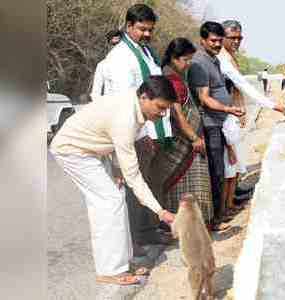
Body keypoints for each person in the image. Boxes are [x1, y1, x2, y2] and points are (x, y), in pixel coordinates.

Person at [50, 76, 177, 286]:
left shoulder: (134, 105)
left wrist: (117, 170)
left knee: (116, 197)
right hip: (72, 150)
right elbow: (134, 176)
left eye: (166, 109)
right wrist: (160, 211)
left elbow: (115, 142)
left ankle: (123, 262)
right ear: (144, 97)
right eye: (160, 107)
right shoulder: (125, 118)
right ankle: (110, 271)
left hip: (93, 150)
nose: (162, 113)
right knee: (109, 202)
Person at [101, 4, 172, 247]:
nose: (147, 34)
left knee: (151, 182)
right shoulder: (120, 58)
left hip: (149, 129)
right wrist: (141, 135)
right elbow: (125, 103)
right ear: (128, 26)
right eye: (142, 29)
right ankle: (138, 241)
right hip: (133, 131)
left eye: (150, 30)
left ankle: (149, 231)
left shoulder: (146, 52)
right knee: (134, 185)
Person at [217, 20, 284, 216]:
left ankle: (231, 200)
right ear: (222, 38)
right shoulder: (222, 58)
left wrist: (241, 109)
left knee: (235, 161)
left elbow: (237, 89)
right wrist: (272, 105)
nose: (237, 41)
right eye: (232, 38)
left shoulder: (230, 56)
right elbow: (241, 85)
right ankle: (225, 207)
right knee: (229, 164)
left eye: (239, 38)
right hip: (223, 116)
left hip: (233, 114)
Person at [187, 21, 244, 230]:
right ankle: (214, 219)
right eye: (213, 41)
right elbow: (204, 98)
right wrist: (229, 110)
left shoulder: (215, 60)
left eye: (220, 41)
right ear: (203, 40)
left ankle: (220, 214)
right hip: (210, 124)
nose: (217, 44)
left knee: (224, 169)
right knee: (216, 172)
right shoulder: (199, 63)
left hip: (220, 123)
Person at [160, 38, 214, 225]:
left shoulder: (176, 75)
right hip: (183, 141)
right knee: (185, 184)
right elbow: (177, 115)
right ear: (174, 58)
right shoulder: (170, 79)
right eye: (185, 59)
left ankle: (194, 224)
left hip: (191, 137)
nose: (188, 64)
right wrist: (193, 137)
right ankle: (185, 225)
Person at [91, 30, 122, 98]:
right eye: (113, 44)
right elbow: (96, 92)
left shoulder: (132, 61)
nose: (116, 47)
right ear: (109, 44)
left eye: (118, 44)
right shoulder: (102, 65)